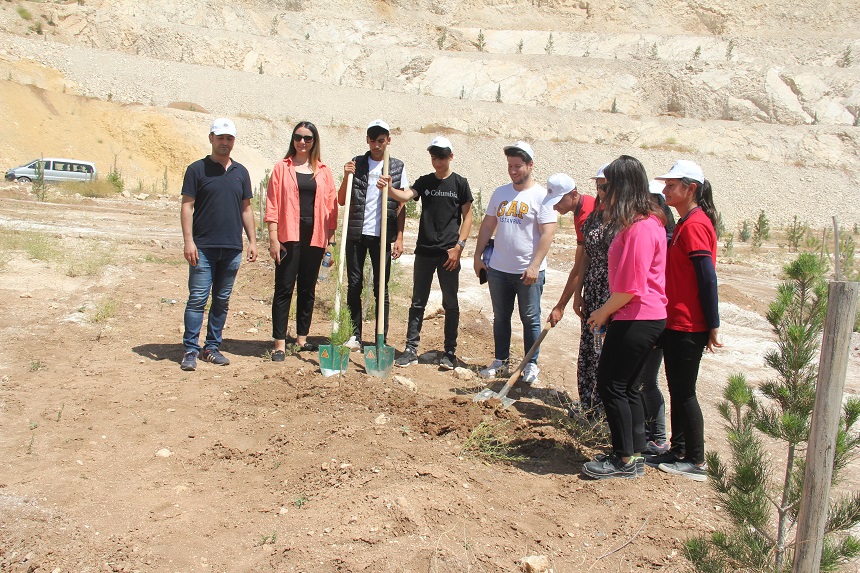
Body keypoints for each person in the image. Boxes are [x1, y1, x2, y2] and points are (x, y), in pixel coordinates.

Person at [580, 155, 667, 480]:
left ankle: (623, 460)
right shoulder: (644, 223)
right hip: (639, 315)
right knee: (628, 387)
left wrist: (602, 312)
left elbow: (630, 287)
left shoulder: (641, 229)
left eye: (609, 187)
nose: (603, 194)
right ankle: (634, 453)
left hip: (636, 316)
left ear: (624, 187)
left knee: (611, 385)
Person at [648, 160, 722, 481]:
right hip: (676, 321)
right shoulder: (684, 223)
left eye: (671, 185)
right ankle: (678, 449)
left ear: (690, 188)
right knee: (677, 389)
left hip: (690, 324)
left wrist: (713, 324)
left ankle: (695, 460)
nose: (665, 190)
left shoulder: (695, 225)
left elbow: (707, 278)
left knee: (685, 391)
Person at [473, 141, 557, 385]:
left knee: (530, 318)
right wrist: (478, 256)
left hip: (527, 272)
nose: (512, 171)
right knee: (501, 316)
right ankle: (500, 361)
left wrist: (535, 265)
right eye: (510, 166)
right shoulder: (500, 193)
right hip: (499, 269)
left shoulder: (542, 196)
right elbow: (488, 225)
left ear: (530, 165)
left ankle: (530, 364)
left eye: (518, 166)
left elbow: (548, 233)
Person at [388, 136, 473, 370]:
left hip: (449, 254)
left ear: (451, 157)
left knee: (451, 303)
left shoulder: (460, 184)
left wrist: (459, 247)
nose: (437, 161)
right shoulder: (425, 181)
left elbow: (469, 217)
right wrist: (389, 188)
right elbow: (405, 196)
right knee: (418, 302)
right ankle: (411, 349)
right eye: (434, 156)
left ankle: (449, 352)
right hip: (424, 251)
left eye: (442, 156)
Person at [179, 118, 257, 371]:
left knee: (221, 300)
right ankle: (191, 349)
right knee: (198, 299)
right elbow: (187, 206)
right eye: (220, 137)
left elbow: (246, 209)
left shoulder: (241, 172)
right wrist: (188, 241)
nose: (225, 142)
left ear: (234, 141)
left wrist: (252, 241)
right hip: (203, 248)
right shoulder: (197, 169)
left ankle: (211, 347)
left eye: (229, 138)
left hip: (232, 248)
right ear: (211, 138)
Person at [264, 121, 338, 361]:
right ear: (293, 139)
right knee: (284, 289)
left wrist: (330, 242)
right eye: (298, 137)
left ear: (314, 141)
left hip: (315, 237)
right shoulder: (281, 168)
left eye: (308, 138)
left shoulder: (323, 170)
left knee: (307, 289)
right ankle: (279, 344)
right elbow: (272, 205)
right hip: (288, 237)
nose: (302, 142)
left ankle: (302, 339)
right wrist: (274, 239)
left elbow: (330, 206)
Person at [339, 119, 407, 350]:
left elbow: (401, 204)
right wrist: (345, 176)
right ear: (367, 140)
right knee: (354, 284)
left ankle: (381, 338)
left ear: (388, 140)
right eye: (373, 140)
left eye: (381, 140)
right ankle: (355, 336)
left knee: (381, 287)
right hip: (356, 233)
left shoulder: (396, 167)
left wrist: (398, 237)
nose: (377, 145)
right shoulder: (356, 163)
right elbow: (341, 200)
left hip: (382, 236)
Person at [549, 164, 609, 411]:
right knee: (591, 349)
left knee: (599, 350)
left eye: (558, 201)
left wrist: (562, 304)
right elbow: (582, 263)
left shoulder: (589, 214)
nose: (554, 207)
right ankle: (590, 403)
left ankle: (598, 406)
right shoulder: (584, 214)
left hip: (606, 296)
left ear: (573, 194)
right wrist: (577, 296)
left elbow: (579, 266)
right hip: (593, 293)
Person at [637, 180, 676, 455]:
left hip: (657, 317)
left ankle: (659, 437)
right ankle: (650, 434)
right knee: (643, 380)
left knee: (648, 380)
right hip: (655, 316)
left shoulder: (664, 237)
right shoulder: (662, 233)